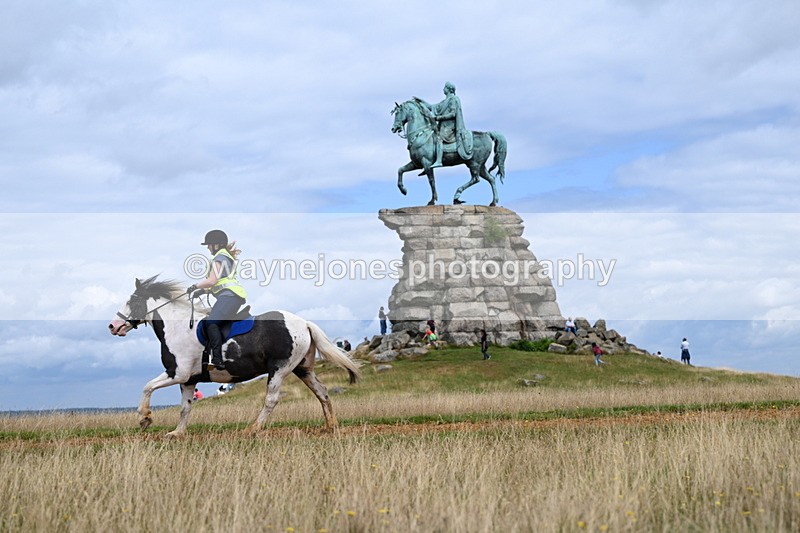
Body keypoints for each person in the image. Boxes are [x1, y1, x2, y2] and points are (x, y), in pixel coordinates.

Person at [187, 229, 248, 371]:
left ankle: (217, 359)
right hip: (231, 296)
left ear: (216, 244)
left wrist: (194, 286)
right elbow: (218, 282)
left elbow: (212, 281)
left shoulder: (220, 257)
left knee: (211, 322)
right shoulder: (224, 256)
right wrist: (202, 291)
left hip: (230, 296)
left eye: (209, 245)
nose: (208, 248)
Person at [413, 82, 473, 169]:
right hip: (443, 126)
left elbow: (453, 114)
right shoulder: (445, 101)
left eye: (445, 88)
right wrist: (421, 101)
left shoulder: (454, 99)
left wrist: (438, 118)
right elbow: (432, 107)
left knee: (438, 138)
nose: (443, 89)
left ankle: (439, 160)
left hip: (450, 127)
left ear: (449, 89)